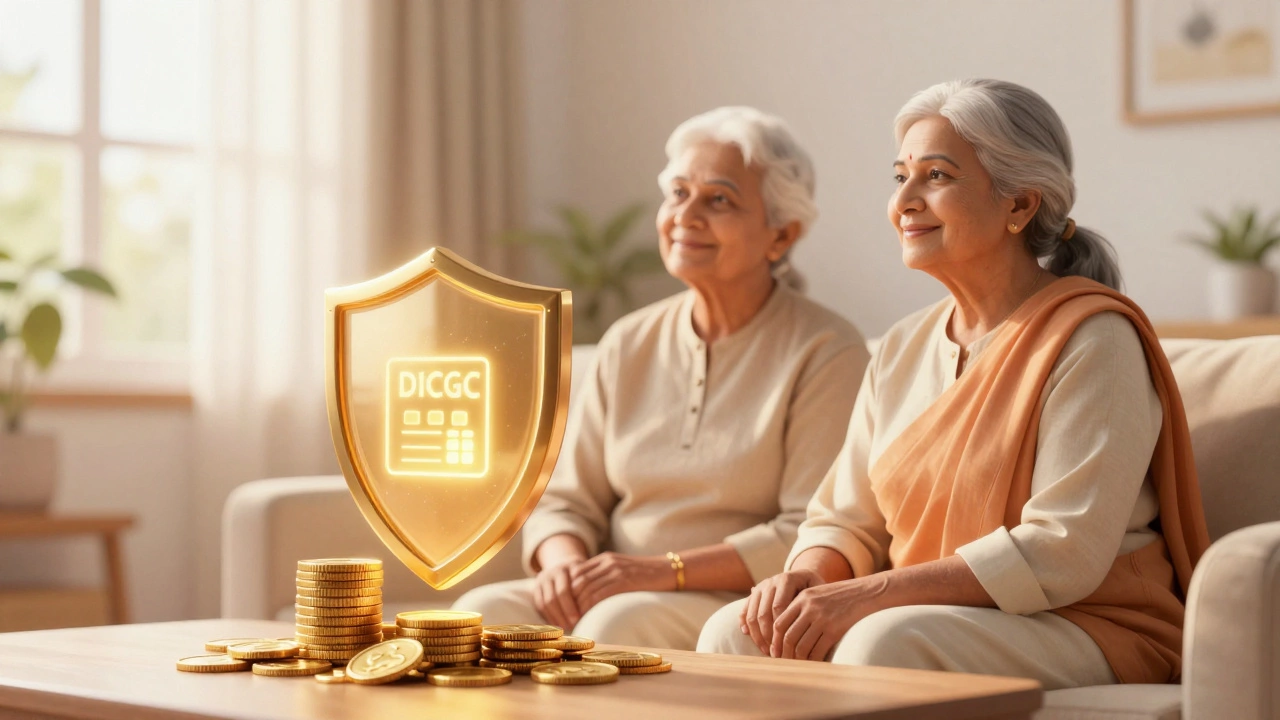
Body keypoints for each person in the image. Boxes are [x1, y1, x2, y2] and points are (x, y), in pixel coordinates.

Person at [698, 80, 1210, 689]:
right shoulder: (899, 347)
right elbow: (845, 519)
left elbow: (1061, 549)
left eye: (936, 176)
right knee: (734, 633)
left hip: (1085, 621)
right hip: (926, 612)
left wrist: (871, 596)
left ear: (1019, 205)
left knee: (883, 640)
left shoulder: (1094, 339)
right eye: (900, 177)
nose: (905, 202)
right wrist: (808, 577)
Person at [453, 106, 870, 650]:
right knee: (475, 617)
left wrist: (658, 571)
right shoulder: (628, 341)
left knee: (614, 627)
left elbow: (808, 529)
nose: (686, 215)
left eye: (718, 199)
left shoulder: (826, 349)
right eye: (677, 192)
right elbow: (563, 501)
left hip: (735, 597)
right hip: (614, 584)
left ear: (780, 234)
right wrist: (564, 569)